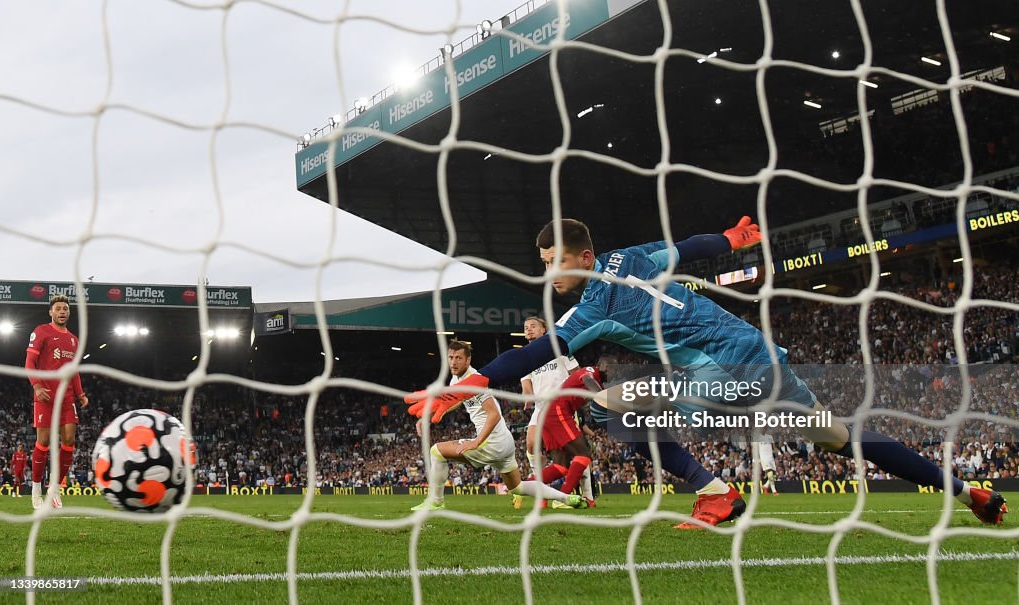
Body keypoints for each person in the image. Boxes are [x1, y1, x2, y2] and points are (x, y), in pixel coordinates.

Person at [407, 218, 1008, 528]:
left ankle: (716, 493)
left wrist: (472, 381)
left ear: (584, 257)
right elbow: (690, 249)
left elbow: (533, 356)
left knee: (607, 405)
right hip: (762, 354)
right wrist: (732, 237)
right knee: (841, 436)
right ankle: (969, 492)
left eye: (552, 264)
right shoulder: (633, 258)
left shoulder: (590, 307)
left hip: (724, 373)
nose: (549, 275)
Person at [410, 340, 586, 511]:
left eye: (459, 358)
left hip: (491, 442)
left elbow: (493, 413)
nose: (454, 362)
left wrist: (477, 441)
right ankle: (567, 498)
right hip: (505, 442)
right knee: (517, 487)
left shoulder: (474, 381)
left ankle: (435, 501)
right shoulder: (457, 381)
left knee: (436, 451)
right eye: (451, 357)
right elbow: (453, 402)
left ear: (468, 360)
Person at [513, 317, 596, 508]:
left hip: (562, 406)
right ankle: (539, 492)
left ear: (544, 330)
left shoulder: (559, 350)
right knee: (531, 445)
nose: (529, 330)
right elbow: (526, 386)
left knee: (572, 454)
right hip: (541, 407)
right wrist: (527, 398)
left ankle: (587, 495)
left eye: (533, 326)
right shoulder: (525, 357)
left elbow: (578, 374)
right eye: (526, 327)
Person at [26, 295, 90, 509]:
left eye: (65, 308)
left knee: (69, 441)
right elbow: (29, 361)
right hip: (45, 395)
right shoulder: (41, 331)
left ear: (69, 313)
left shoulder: (73, 339)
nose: (62, 311)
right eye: (58, 308)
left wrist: (80, 394)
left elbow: (74, 372)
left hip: (67, 397)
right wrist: (36, 385)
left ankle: (55, 489)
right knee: (43, 441)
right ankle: (36, 489)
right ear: (51, 312)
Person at [519, 366, 603, 510]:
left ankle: (523, 487)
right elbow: (587, 378)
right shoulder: (591, 372)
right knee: (583, 454)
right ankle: (563, 499)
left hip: (548, 413)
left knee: (560, 466)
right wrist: (603, 397)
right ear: (602, 366)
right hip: (557, 411)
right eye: (610, 368)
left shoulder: (598, 381)